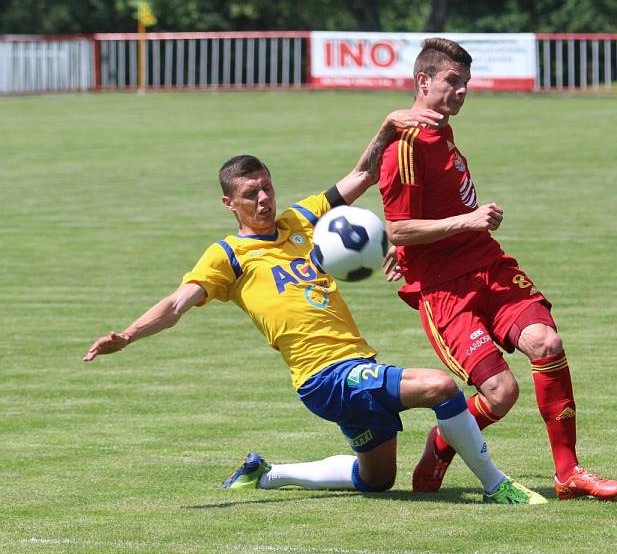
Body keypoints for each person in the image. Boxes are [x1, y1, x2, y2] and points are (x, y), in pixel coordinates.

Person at [83, 109, 546, 505]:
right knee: (442, 387)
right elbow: (176, 303)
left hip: (353, 366)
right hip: (326, 377)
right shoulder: (227, 256)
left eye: (266, 187)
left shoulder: (300, 219)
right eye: (250, 194)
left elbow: (362, 176)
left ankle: (267, 473)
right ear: (229, 203)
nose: (263, 199)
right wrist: (127, 335)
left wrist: (387, 128)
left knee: (377, 480)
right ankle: (496, 485)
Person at [378, 38, 617, 500]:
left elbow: (414, 219)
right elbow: (399, 228)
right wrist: (456, 225)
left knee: (547, 342)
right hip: (444, 290)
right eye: (453, 81)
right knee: (500, 394)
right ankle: (440, 443)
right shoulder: (404, 147)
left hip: (488, 264)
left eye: (466, 83)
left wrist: (429, 234)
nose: (462, 91)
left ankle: (569, 473)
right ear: (423, 81)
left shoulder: (440, 128)